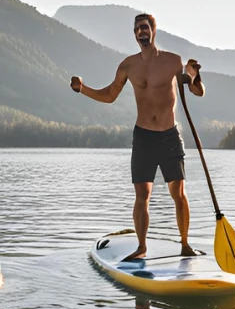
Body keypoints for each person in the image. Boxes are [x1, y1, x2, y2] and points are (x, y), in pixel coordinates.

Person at [70, 13, 204, 261]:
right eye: (136, 29)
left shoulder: (173, 61)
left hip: (169, 137)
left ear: (153, 30)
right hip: (143, 138)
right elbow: (110, 95)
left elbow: (197, 91)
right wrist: (83, 89)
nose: (140, 32)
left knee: (179, 193)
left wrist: (194, 75)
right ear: (134, 34)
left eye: (144, 27)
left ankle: (185, 244)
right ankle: (141, 247)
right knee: (142, 195)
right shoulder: (128, 65)